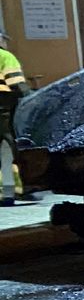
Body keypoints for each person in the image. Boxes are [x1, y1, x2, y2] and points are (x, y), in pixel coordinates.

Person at [0, 32, 28, 205]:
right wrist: (30, 97)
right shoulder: (5, 57)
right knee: (13, 147)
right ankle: (16, 190)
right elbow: (16, 84)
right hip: (4, 108)